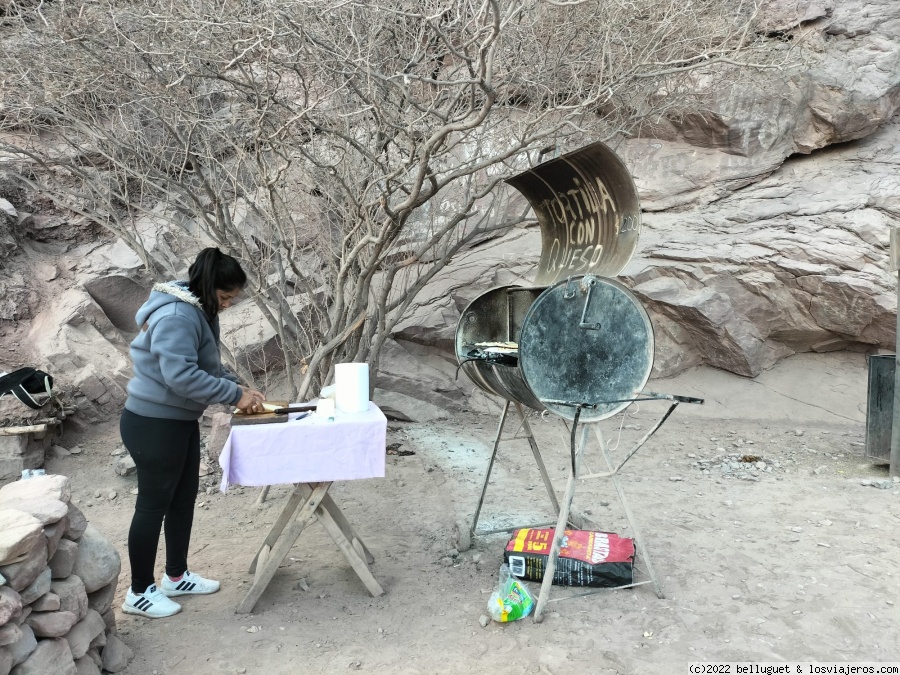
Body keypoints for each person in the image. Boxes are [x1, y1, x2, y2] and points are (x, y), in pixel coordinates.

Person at [119, 247, 265, 618]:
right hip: (153, 423)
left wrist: (239, 388)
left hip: (178, 421)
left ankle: (176, 575)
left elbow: (206, 364)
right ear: (207, 286)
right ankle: (138, 593)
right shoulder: (175, 316)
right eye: (226, 297)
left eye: (233, 298)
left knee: (182, 500)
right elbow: (180, 376)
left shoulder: (198, 309)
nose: (229, 304)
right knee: (152, 507)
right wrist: (235, 395)